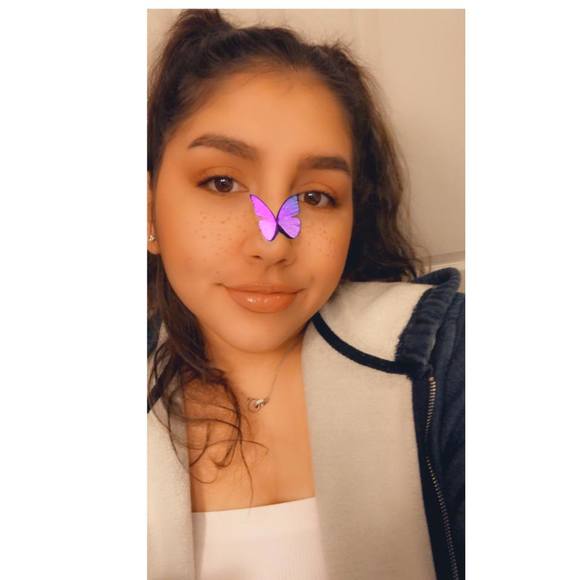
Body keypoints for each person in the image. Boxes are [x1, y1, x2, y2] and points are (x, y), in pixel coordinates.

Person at [147, 9, 464, 580]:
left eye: (315, 197)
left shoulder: (444, 354)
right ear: (147, 211)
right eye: (222, 182)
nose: (272, 245)